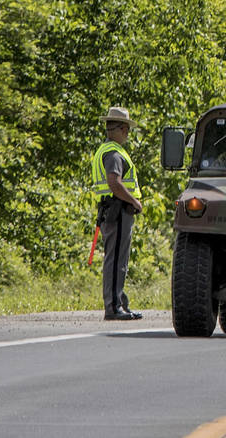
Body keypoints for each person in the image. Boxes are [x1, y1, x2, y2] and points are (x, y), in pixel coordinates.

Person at [91, 106, 144, 320]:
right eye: (127, 130)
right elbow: (115, 183)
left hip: (111, 210)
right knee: (115, 260)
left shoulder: (104, 150)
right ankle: (113, 307)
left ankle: (119, 302)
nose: (128, 135)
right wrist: (135, 202)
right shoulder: (113, 153)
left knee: (118, 259)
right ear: (122, 128)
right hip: (118, 210)